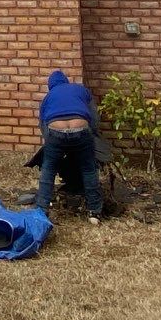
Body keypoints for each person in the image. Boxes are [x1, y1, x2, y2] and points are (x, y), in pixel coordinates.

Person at [34, 70, 103, 223]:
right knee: (88, 169)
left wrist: (52, 142)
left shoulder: (49, 97)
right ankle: (94, 212)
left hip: (55, 131)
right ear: (66, 81)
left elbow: (42, 123)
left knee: (49, 169)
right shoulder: (80, 90)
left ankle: (41, 210)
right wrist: (90, 134)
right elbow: (94, 117)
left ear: (50, 86)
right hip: (81, 129)